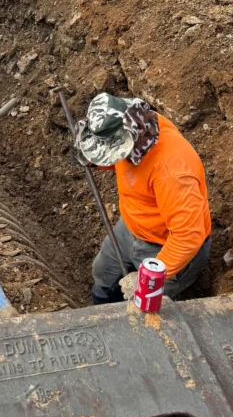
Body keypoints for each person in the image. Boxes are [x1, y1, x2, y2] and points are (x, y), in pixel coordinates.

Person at [74, 92, 211, 305]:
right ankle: (100, 307)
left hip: (165, 245)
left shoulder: (172, 173)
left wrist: (147, 277)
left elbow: (187, 236)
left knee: (143, 304)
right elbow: (119, 159)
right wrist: (93, 156)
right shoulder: (139, 123)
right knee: (102, 273)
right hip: (130, 227)